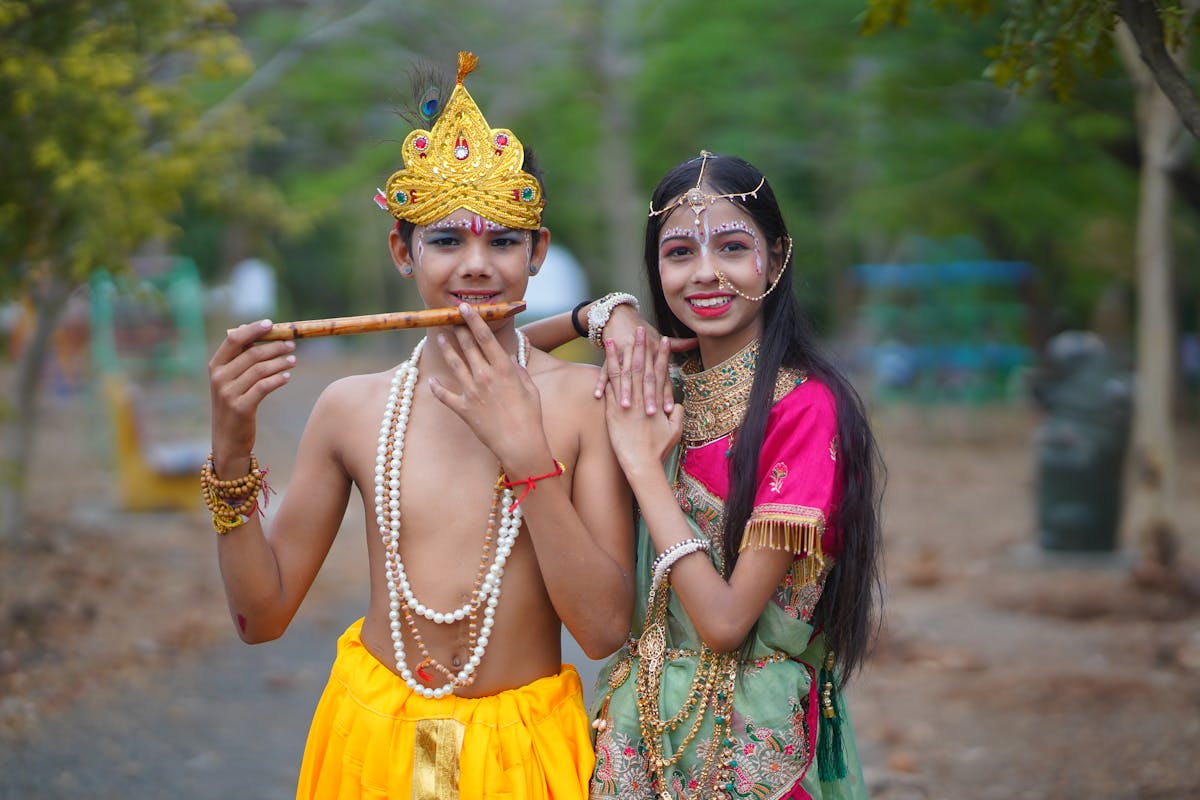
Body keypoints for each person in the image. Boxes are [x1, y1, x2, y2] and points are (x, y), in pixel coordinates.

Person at [204, 52, 634, 800]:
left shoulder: (582, 402)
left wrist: (526, 458)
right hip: (374, 745)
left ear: (537, 253)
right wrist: (232, 448)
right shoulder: (352, 408)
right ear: (403, 252)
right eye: (446, 241)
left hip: (522, 755)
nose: (477, 266)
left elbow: (602, 631)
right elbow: (261, 617)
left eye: (503, 240)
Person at [538, 151, 883, 799]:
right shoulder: (658, 389)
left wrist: (643, 466)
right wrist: (601, 314)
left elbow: (725, 624)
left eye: (730, 247)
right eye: (678, 254)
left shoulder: (806, 409)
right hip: (636, 737)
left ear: (776, 259)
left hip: (750, 746)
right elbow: (505, 363)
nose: (704, 274)